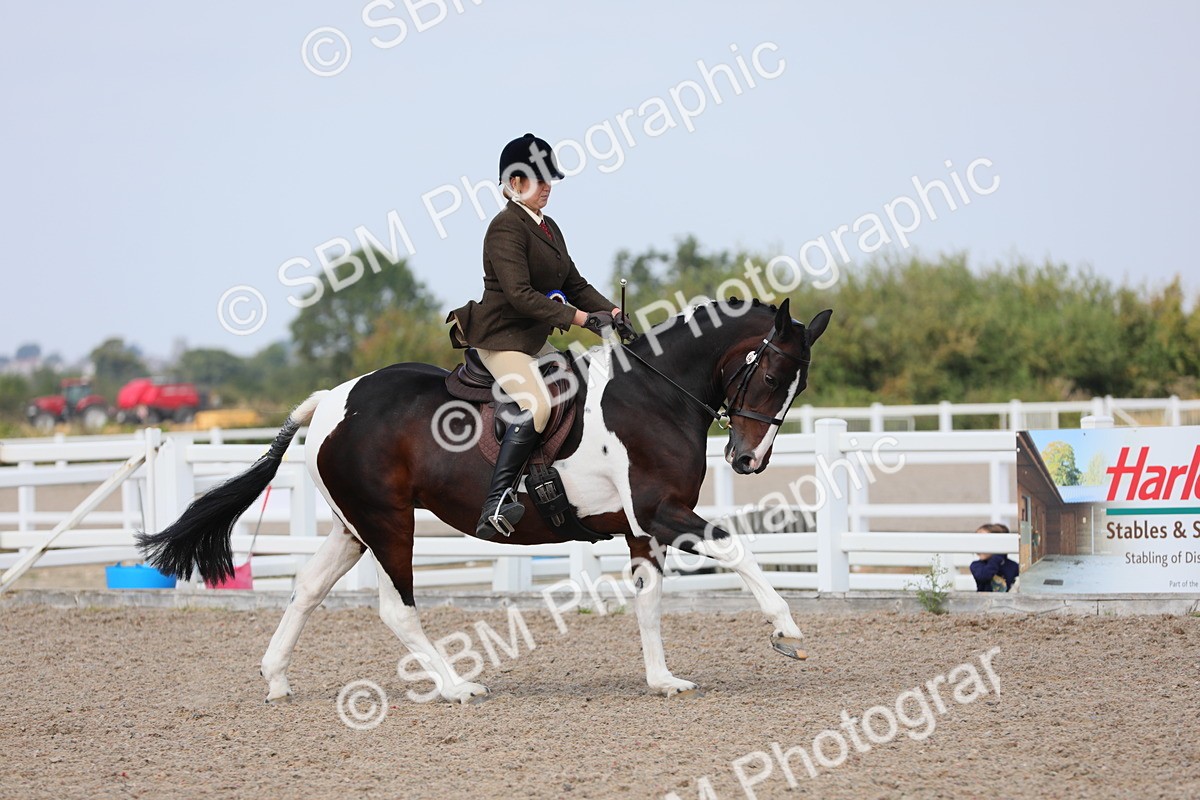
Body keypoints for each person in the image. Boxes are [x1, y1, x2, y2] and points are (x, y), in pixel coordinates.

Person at [447, 133, 632, 539]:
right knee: (537, 405)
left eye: (550, 179)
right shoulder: (504, 229)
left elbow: (575, 282)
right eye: (538, 179)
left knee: (581, 384)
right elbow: (520, 295)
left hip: (531, 339)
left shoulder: (548, 227)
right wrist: (583, 320)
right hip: (501, 339)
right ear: (514, 184)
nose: (548, 186)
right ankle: (497, 500)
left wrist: (613, 312)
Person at [970, 523, 1019, 592]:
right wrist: (998, 556)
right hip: (983, 602)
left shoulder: (1013, 566)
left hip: (1007, 602)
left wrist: (1000, 552)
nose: (979, 546)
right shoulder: (976, 566)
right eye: (977, 542)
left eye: (984, 542)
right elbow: (984, 576)